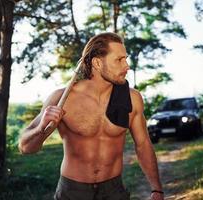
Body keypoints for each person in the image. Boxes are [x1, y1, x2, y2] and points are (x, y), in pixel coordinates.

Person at [18, 32, 164, 200]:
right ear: (97, 63)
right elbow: (25, 148)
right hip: (72, 191)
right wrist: (41, 129)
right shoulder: (62, 98)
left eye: (126, 59)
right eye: (119, 60)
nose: (127, 66)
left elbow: (143, 145)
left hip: (114, 190)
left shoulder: (132, 98)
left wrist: (157, 189)